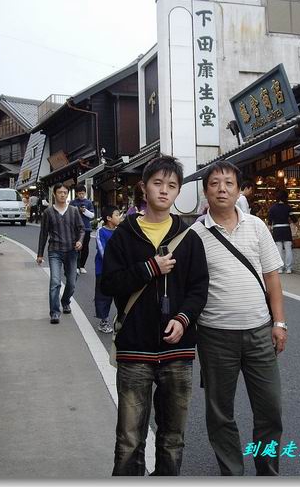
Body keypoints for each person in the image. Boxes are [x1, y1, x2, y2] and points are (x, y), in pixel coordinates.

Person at [100, 155, 209, 476]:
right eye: (157, 183)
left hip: (178, 352)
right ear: (144, 188)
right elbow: (109, 283)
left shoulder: (189, 238)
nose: (164, 190)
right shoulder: (124, 235)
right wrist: (150, 268)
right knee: (129, 439)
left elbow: (199, 288)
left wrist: (184, 318)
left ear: (178, 192)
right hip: (135, 350)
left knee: (173, 438)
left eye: (171, 185)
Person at [191, 160, 287, 476]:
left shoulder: (257, 226)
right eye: (215, 183)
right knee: (220, 413)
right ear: (206, 191)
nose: (222, 189)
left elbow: (272, 277)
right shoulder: (195, 234)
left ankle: (268, 472)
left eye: (229, 183)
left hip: (260, 332)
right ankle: (232, 474)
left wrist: (279, 322)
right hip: (215, 336)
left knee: (270, 410)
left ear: (238, 190)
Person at [36, 183, 85, 324]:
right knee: (55, 282)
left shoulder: (74, 211)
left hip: (71, 251)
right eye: (60, 192)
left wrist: (80, 241)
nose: (62, 195)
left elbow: (81, 229)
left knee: (72, 282)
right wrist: (40, 254)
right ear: (54, 194)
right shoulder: (48, 212)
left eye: (65, 192)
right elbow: (43, 234)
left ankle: (65, 301)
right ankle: (54, 313)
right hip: (55, 251)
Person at [94, 205, 121, 333]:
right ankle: (103, 321)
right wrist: (113, 263)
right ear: (109, 218)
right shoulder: (101, 231)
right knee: (103, 295)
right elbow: (102, 251)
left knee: (121, 295)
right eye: (117, 215)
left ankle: (121, 320)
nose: (119, 217)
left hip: (119, 269)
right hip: (103, 270)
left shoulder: (120, 231)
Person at [267, 189, 297, 274]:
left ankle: (280, 268)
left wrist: (269, 230)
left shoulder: (272, 208)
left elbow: (269, 221)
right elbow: (294, 219)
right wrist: (296, 225)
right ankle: (289, 268)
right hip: (286, 229)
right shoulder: (288, 207)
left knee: (278, 249)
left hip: (277, 229)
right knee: (288, 248)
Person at [69, 185, 96, 274]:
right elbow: (69, 214)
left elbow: (92, 215)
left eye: (83, 193)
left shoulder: (88, 202)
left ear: (85, 193)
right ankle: (76, 266)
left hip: (86, 228)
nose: (81, 195)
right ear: (76, 193)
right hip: (75, 229)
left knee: (85, 248)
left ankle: (82, 266)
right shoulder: (72, 203)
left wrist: (85, 211)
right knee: (76, 247)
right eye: (79, 193)